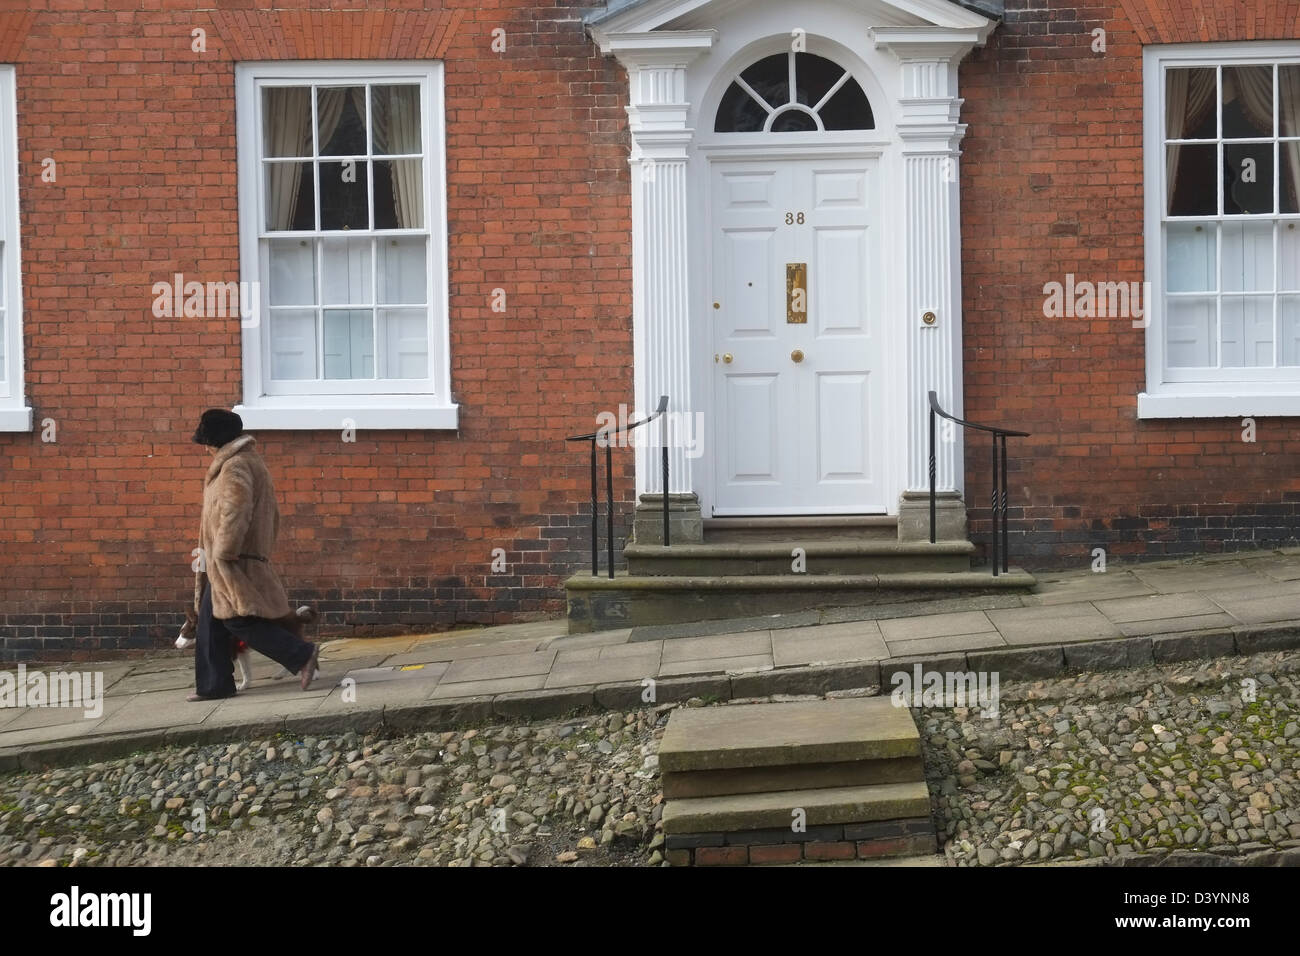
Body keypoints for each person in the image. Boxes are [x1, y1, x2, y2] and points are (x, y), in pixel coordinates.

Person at [187, 408, 318, 700]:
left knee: (238, 618)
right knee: (210, 622)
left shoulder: (235, 466)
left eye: (206, 442)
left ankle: (302, 654)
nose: (205, 449)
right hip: (225, 558)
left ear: (217, 441)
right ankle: (214, 686)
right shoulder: (241, 462)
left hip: (233, 558)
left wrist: (224, 551)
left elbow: (236, 511)